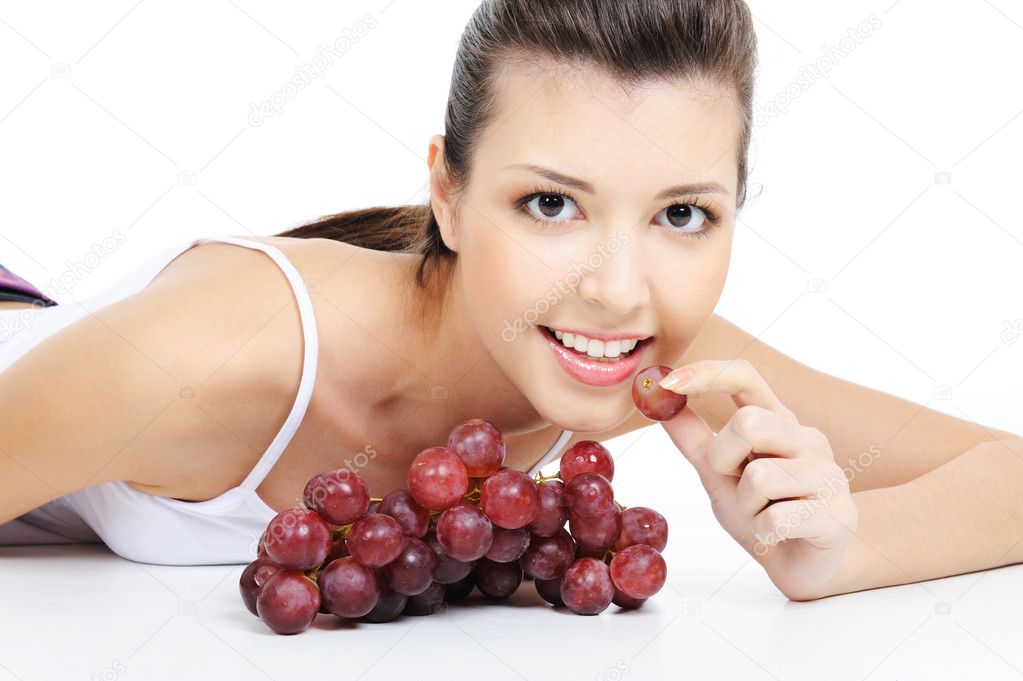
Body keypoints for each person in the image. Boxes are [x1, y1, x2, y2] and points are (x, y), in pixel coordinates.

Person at [2, 0, 1021, 600]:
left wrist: (832, 552)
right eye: (550, 203)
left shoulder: (662, 360)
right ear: (446, 192)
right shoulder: (208, 358)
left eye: (682, 216)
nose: (620, 291)